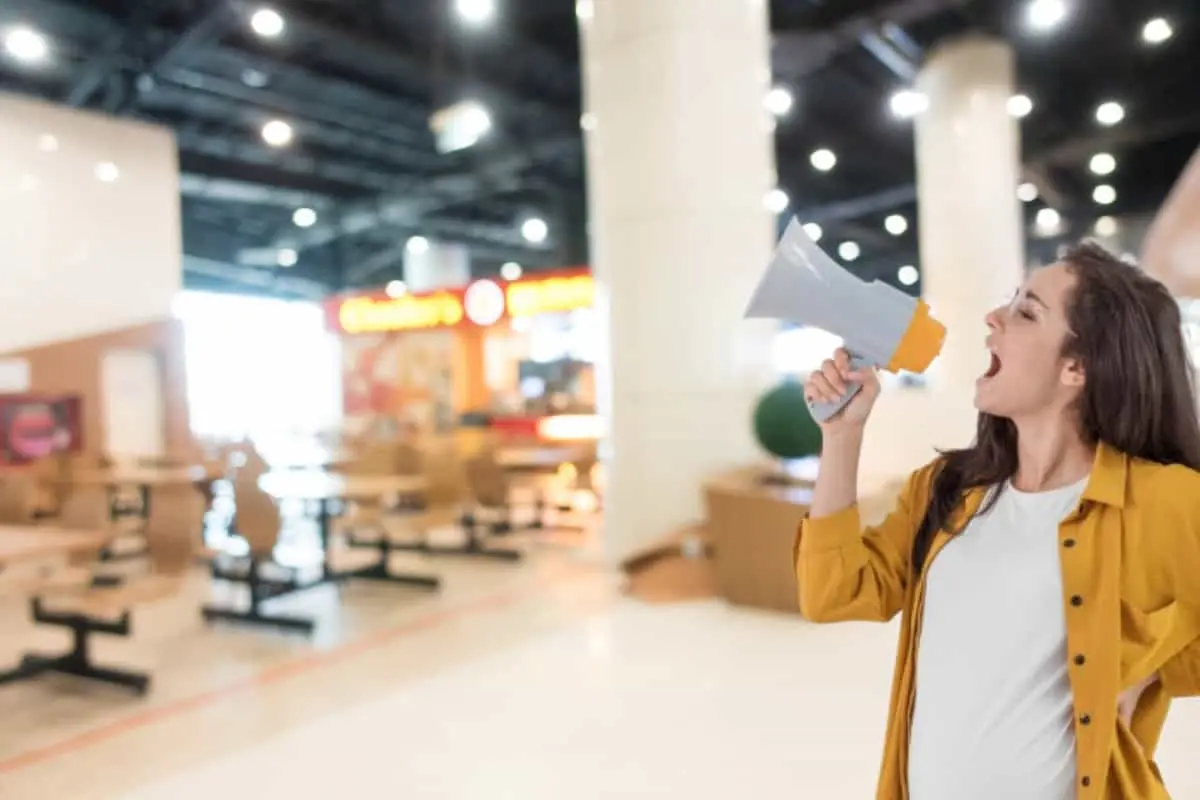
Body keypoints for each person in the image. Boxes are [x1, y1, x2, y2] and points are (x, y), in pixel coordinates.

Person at [797, 240, 1200, 800]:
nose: (994, 316)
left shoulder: (1163, 500)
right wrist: (842, 437)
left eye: (1026, 311)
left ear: (1077, 368)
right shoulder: (946, 489)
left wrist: (1155, 671)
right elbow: (833, 591)